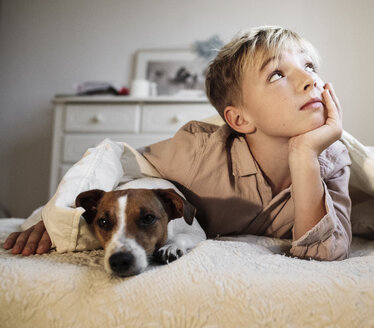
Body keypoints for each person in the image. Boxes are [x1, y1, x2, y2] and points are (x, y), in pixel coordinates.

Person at [4, 26, 352, 260]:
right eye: (277, 74)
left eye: (310, 66)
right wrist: (58, 214)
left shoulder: (331, 157)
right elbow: (121, 165)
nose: (312, 80)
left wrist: (304, 153)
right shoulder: (200, 152)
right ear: (239, 120)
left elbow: (321, 251)